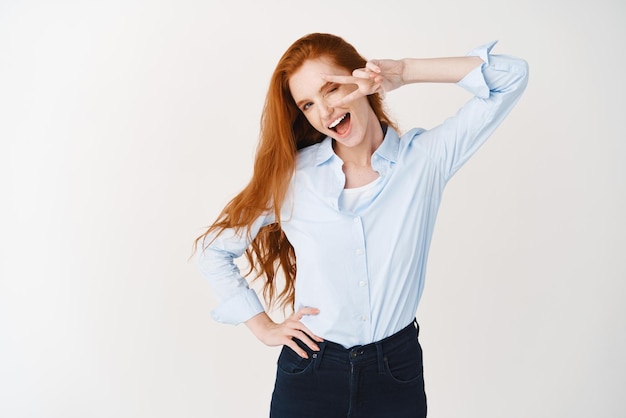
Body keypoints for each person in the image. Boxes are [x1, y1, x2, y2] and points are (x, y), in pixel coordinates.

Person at [194, 33, 528, 418]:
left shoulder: (424, 162)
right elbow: (214, 250)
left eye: (332, 88)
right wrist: (263, 326)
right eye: (308, 104)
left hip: (395, 373)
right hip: (310, 373)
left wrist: (404, 71)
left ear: (362, 77)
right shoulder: (293, 179)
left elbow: (511, 75)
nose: (324, 111)